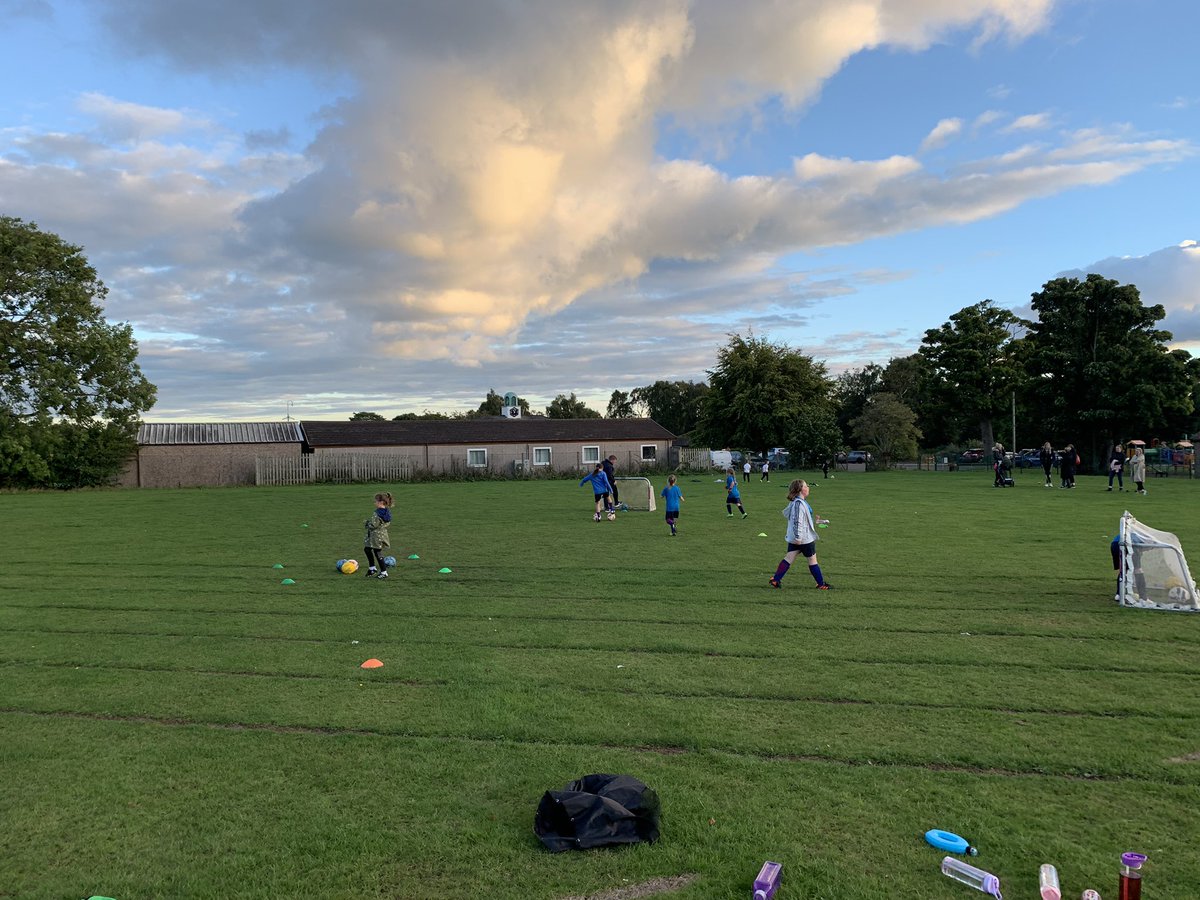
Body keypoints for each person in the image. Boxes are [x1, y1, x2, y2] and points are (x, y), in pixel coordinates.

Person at [769, 479, 831, 590]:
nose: (808, 488)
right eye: (806, 486)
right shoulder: (798, 504)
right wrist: (798, 537)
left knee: (789, 558)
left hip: (797, 538)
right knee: (812, 560)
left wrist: (818, 521)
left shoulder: (797, 502)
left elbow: (803, 518)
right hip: (804, 539)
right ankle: (821, 584)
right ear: (800, 490)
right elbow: (797, 521)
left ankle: (776, 579)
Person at [363, 491, 394, 579]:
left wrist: (367, 523)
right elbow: (386, 523)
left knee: (377, 552)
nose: (374, 503)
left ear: (380, 502)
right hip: (380, 534)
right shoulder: (387, 511)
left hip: (376, 536)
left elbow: (373, 525)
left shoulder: (377, 513)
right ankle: (372, 568)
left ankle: (384, 572)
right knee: (367, 549)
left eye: (376, 501)